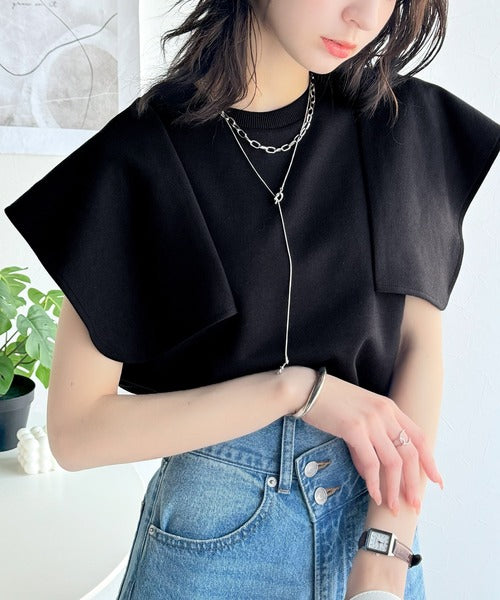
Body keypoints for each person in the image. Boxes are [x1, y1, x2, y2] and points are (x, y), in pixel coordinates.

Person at [3, 1, 499, 599]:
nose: (365, 15)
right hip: (211, 546)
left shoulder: (396, 122)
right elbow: (77, 433)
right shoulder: (143, 155)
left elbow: (418, 346)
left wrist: (384, 557)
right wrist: (297, 392)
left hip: (369, 537)